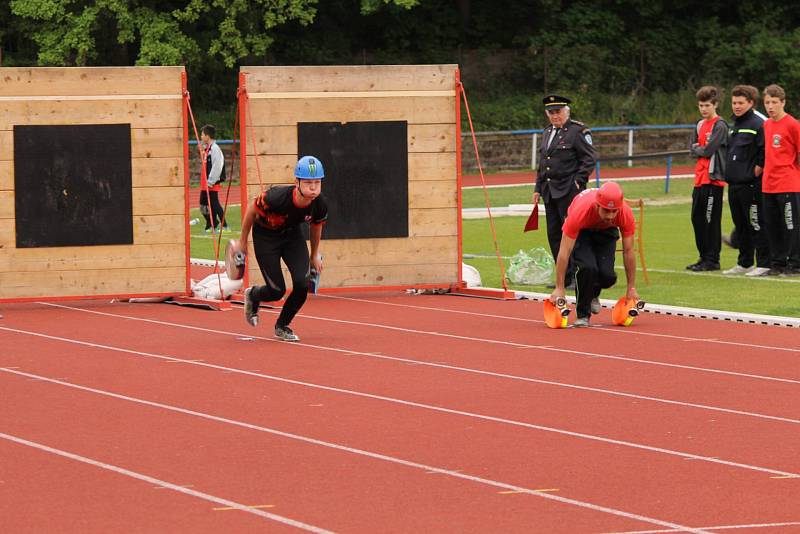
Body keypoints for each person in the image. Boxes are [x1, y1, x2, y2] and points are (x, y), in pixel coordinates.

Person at [238, 155, 327, 341]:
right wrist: (242, 242)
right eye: (308, 182)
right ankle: (253, 295)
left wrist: (314, 254)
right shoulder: (276, 197)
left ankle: (282, 326)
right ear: (297, 182)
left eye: (317, 182)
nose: (313, 187)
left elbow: (316, 227)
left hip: (291, 236)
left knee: (303, 285)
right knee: (277, 291)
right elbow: (251, 210)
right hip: (266, 238)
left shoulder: (320, 205)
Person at [549, 182, 639, 327]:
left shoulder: (625, 213)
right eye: (606, 211)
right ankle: (583, 315)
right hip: (583, 230)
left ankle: (593, 294)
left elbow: (628, 251)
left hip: (606, 231)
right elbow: (564, 252)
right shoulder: (580, 212)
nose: (610, 215)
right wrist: (560, 287)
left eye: (614, 211)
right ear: (597, 205)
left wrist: (631, 288)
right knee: (587, 268)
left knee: (608, 276)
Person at [533, 94, 597, 288]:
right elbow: (544, 163)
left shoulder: (577, 131)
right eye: (551, 112)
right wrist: (537, 188)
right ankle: (565, 276)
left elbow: (590, 158)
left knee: (573, 234)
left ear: (566, 111)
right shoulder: (547, 132)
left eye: (558, 112)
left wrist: (579, 181)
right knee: (554, 234)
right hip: (550, 191)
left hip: (569, 191)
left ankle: (579, 277)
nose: (555, 116)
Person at [722, 85, 770, 276]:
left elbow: (764, 152)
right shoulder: (735, 125)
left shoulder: (758, 124)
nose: (736, 106)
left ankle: (764, 263)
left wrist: (754, 172)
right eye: (734, 103)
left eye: (741, 103)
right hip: (734, 185)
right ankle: (745, 262)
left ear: (751, 103)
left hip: (751, 185)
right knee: (740, 225)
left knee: (756, 224)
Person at [687, 86, 728, 272]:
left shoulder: (720, 125)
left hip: (713, 180)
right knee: (697, 219)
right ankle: (703, 257)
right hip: (699, 179)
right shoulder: (699, 124)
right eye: (701, 105)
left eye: (707, 105)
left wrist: (700, 149)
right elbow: (692, 149)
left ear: (715, 104)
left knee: (711, 220)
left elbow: (708, 150)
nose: (704, 109)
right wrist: (699, 149)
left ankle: (712, 259)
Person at [761, 84, 800, 275]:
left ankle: (795, 264)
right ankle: (777, 263)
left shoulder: (793, 124)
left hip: (788, 183)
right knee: (772, 226)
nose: (770, 106)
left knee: (791, 225)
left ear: (783, 102)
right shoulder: (766, 124)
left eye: (774, 102)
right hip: (769, 184)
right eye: (767, 102)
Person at [199, 124, 227, 233]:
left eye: (202, 135)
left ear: (207, 136)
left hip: (211, 183)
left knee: (213, 204)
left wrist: (210, 181)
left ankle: (218, 225)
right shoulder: (208, 149)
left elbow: (217, 166)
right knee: (203, 205)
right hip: (204, 183)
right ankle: (213, 224)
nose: (201, 137)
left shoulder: (215, 149)